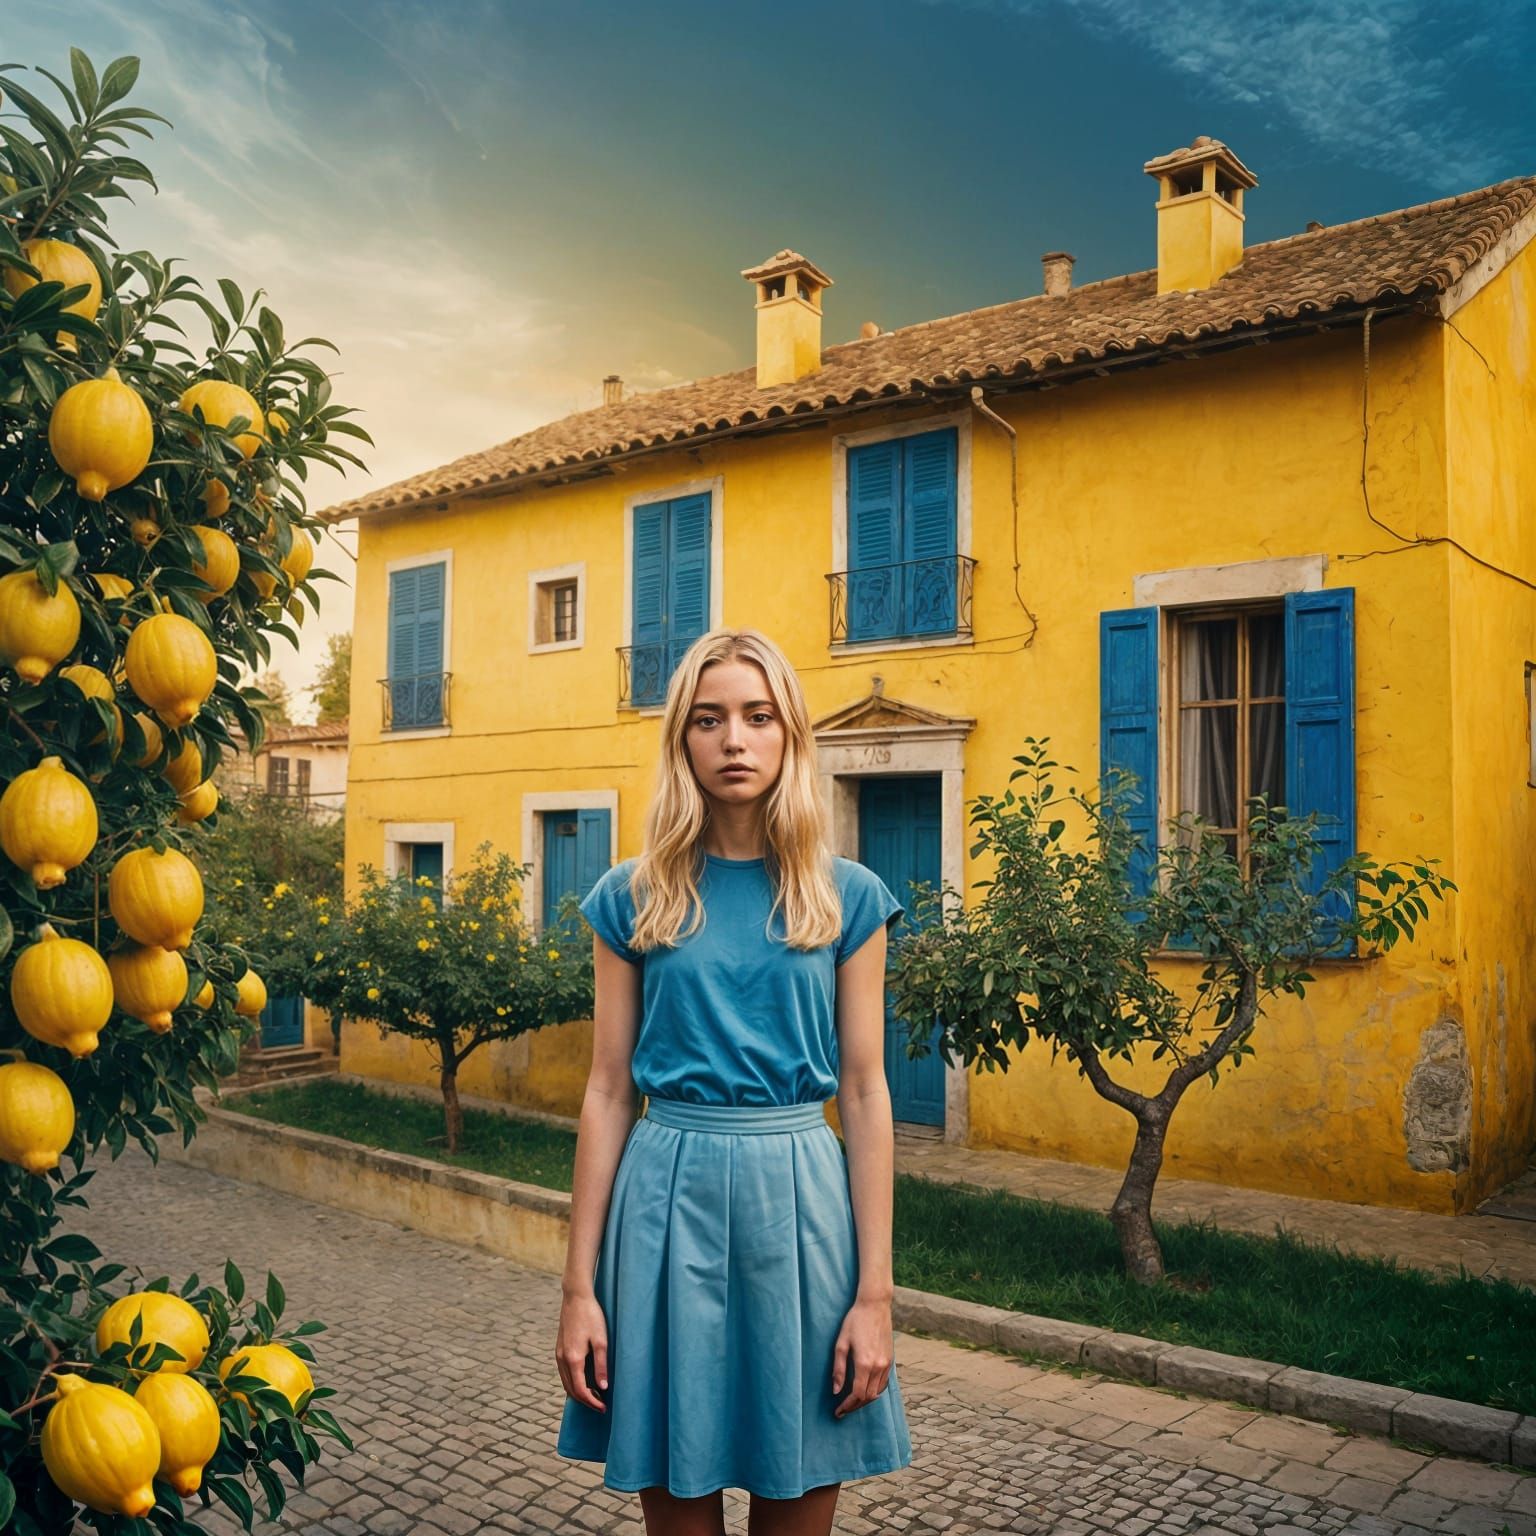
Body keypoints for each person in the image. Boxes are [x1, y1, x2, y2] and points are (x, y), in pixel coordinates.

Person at [555, 627, 914, 1535]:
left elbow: (867, 1095)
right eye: (709, 720)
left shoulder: (847, 897)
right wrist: (577, 1290)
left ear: (790, 733)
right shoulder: (632, 896)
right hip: (662, 1210)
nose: (735, 740)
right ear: (682, 740)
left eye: (758, 717)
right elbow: (606, 1092)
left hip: (802, 1211)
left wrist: (875, 1297)